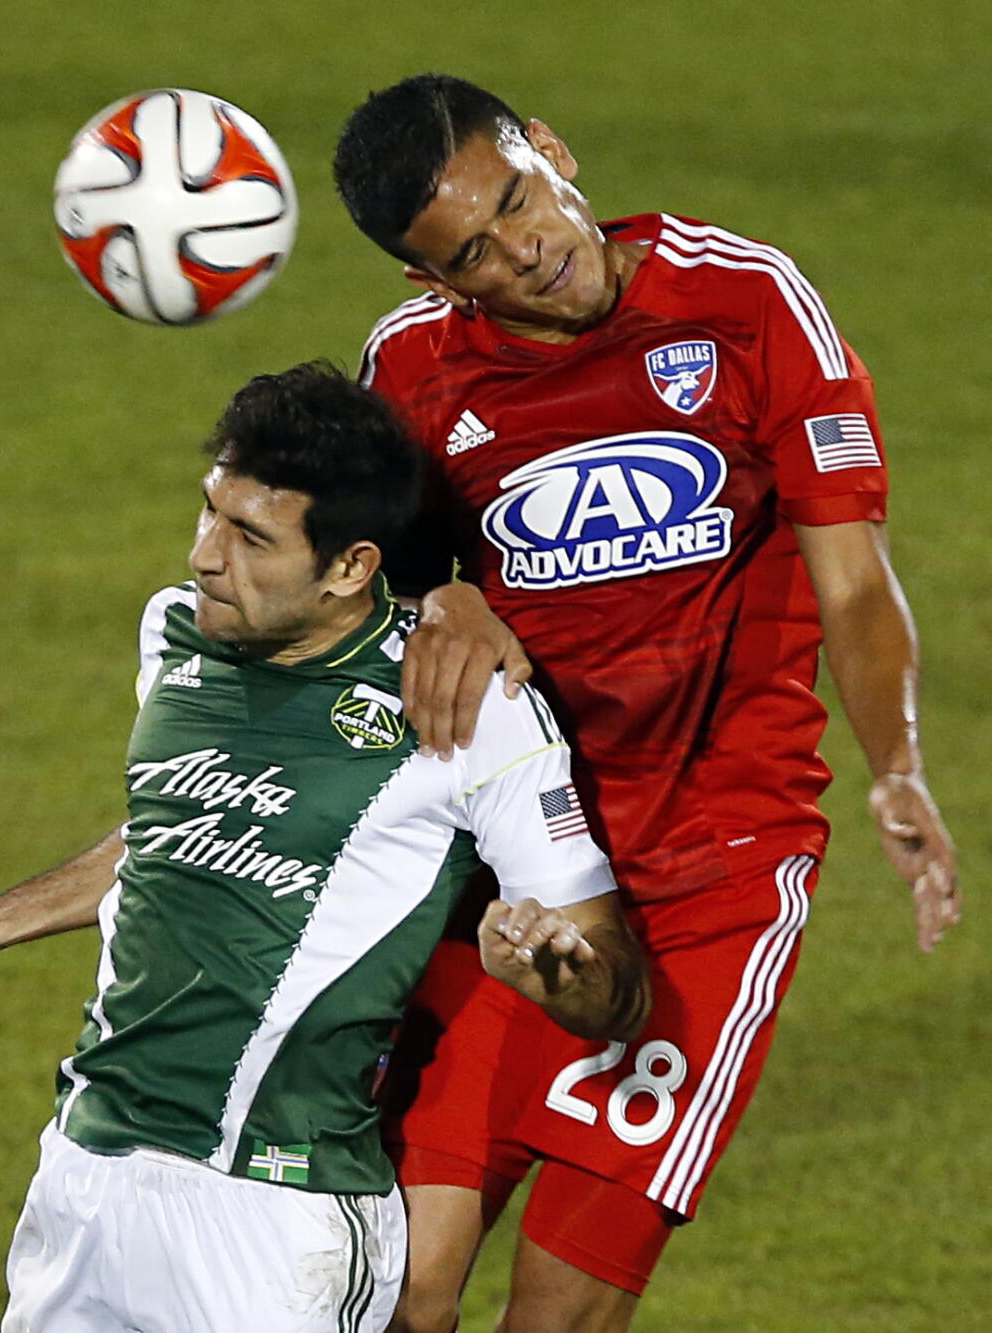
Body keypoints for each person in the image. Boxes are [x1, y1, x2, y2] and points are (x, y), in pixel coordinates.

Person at [0, 362, 650, 1333]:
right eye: (209, 513)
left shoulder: (467, 709)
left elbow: (614, 993)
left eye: (250, 537)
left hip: (275, 1217)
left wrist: (552, 968)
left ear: (349, 567)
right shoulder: (173, 636)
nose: (207, 555)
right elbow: (176, 829)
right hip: (88, 1172)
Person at [333, 75, 961, 1333]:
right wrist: (442, 605)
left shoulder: (742, 303)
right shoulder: (410, 372)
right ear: (433, 284)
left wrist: (894, 763)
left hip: (713, 876)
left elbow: (851, 576)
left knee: (556, 1319)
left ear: (551, 150)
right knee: (389, 1293)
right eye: (473, 257)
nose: (525, 252)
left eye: (517, 200)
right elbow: (372, 624)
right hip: (507, 865)